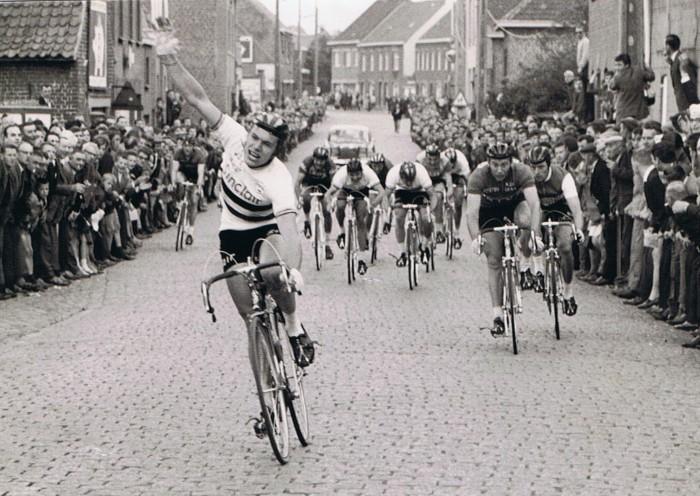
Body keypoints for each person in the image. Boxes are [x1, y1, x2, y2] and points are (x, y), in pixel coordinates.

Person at [150, 17, 313, 369]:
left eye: (266, 144)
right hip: (233, 235)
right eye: (254, 138)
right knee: (251, 319)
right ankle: (268, 403)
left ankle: (295, 325)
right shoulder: (233, 136)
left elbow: (289, 231)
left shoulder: (278, 177)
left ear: (276, 150)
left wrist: (294, 270)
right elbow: (196, 96)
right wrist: (169, 59)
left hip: (266, 231)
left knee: (272, 274)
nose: (255, 147)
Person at [466, 143, 542, 336]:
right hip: (489, 212)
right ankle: (497, 315)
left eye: (504, 165)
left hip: (514, 205)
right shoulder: (479, 175)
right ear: (488, 163)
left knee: (525, 220)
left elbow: (534, 204)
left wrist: (534, 235)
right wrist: (475, 238)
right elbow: (472, 213)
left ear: (511, 163)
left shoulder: (521, 171)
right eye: (495, 165)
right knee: (494, 259)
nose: (499, 170)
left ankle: (524, 261)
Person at [526, 146, 585, 315]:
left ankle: (568, 293)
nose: (537, 172)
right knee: (533, 234)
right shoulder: (528, 179)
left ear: (549, 165)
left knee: (565, 246)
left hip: (562, 212)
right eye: (533, 167)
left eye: (541, 167)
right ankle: (538, 271)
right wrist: (533, 235)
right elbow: (528, 209)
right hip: (541, 211)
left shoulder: (564, 177)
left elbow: (576, 209)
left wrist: (578, 229)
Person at [324, 158, 384, 275]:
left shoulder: (369, 174)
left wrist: (373, 204)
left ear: (362, 172)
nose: (355, 177)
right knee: (340, 206)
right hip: (345, 191)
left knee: (361, 219)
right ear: (348, 173)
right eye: (352, 175)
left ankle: (361, 260)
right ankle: (342, 232)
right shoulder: (341, 175)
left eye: (358, 174)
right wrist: (330, 204)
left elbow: (381, 192)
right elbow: (328, 194)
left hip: (362, 193)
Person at [383, 161, 435, 267]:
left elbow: (433, 195)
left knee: (426, 219)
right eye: (406, 180)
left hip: (420, 192)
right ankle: (402, 253)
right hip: (402, 193)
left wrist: (430, 211)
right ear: (401, 175)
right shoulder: (393, 174)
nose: (409, 183)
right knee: (399, 217)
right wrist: (387, 212)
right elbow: (385, 196)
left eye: (411, 180)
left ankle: (424, 247)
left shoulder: (422, 174)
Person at [295, 146, 335, 260]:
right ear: (313, 158)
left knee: (326, 211)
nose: (319, 163)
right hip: (309, 183)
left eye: (322, 160)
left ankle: (327, 244)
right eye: (317, 160)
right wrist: (299, 199)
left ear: (325, 160)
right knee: (306, 199)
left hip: (325, 186)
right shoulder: (307, 162)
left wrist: (331, 198)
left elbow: (334, 184)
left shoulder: (330, 165)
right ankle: (307, 221)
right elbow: (297, 183)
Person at [415, 143, 453, 244]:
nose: (432, 162)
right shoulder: (419, 159)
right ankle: (421, 230)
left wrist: (450, 190)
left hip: (438, 180)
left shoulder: (445, 161)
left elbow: (448, 177)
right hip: (424, 181)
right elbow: (416, 177)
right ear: (426, 156)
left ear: (439, 157)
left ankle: (439, 229)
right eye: (430, 159)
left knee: (439, 197)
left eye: (435, 159)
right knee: (420, 202)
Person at [171, 136, 206, 244]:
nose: (187, 148)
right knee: (179, 181)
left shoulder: (199, 155)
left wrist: (199, 186)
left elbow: (201, 173)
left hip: (195, 176)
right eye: (185, 146)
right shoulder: (178, 153)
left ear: (193, 147)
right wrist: (173, 183)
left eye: (189, 146)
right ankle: (179, 204)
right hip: (183, 174)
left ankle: (190, 230)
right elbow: (174, 170)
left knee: (193, 201)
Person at [609, 53, 655, 123]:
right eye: (616, 65)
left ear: (626, 65)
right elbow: (651, 77)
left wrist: (616, 74)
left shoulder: (618, 77)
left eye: (619, 65)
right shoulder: (639, 71)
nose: (617, 68)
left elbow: (611, 86)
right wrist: (648, 67)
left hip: (623, 112)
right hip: (640, 112)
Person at [443, 147, 470, 249]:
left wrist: (468, 191)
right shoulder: (441, 160)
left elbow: (468, 178)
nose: (452, 166)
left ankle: (457, 232)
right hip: (445, 175)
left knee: (458, 203)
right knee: (442, 193)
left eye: (453, 164)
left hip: (459, 176)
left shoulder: (462, 161)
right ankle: (443, 218)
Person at [664, 34, 699, 112]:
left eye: (665, 45)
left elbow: (689, 83)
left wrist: (692, 105)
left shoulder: (682, 60)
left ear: (668, 47)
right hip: (682, 103)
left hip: (687, 104)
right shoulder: (675, 60)